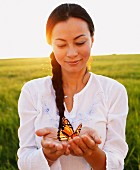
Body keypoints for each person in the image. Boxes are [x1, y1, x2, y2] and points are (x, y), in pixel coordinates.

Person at [17, 3, 128, 170]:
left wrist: (91, 152)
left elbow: (116, 163)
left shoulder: (113, 91)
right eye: (61, 45)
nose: (72, 53)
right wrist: (46, 154)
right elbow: (24, 162)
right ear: (51, 44)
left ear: (92, 39)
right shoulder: (32, 92)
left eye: (80, 42)